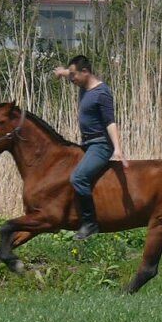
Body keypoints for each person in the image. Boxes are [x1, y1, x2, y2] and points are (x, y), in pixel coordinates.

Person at [53, 55, 128, 240]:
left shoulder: (101, 93)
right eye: (70, 75)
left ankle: (90, 224)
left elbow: (110, 122)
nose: (72, 79)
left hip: (100, 145)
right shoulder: (83, 84)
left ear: (85, 72)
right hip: (86, 143)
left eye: (73, 76)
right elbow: (70, 73)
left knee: (78, 177)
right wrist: (63, 72)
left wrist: (117, 149)